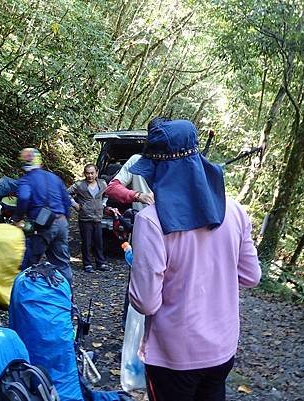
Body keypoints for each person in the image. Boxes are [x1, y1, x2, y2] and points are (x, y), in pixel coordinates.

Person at [127, 119, 261, 401]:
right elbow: (251, 276)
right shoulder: (235, 211)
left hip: (173, 356)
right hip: (223, 350)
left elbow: (146, 302)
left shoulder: (150, 222)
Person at [13, 148, 73, 283]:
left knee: (30, 261)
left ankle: (22, 295)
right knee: (62, 264)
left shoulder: (26, 180)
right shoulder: (54, 177)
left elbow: (23, 198)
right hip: (61, 221)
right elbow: (67, 201)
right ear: (40, 161)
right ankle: (67, 299)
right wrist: (64, 220)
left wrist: (17, 218)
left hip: (42, 225)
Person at [68, 164, 119, 273]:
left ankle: (101, 263)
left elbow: (107, 194)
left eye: (92, 173)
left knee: (98, 241)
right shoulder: (79, 185)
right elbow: (66, 193)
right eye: (87, 173)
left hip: (98, 217)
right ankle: (87, 264)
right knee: (86, 242)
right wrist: (75, 205)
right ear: (84, 173)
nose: (90, 175)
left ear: (96, 173)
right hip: (85, 218)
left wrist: (103, 204)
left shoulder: (102, 183)